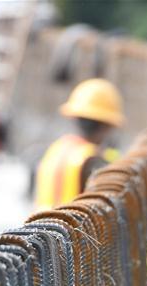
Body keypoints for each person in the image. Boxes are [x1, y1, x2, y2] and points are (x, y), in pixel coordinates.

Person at [34, 78, 124, 209]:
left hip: (42, 226)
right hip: (76, 228)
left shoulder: (55, 149)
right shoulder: (94, 161)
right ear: (106, 126)